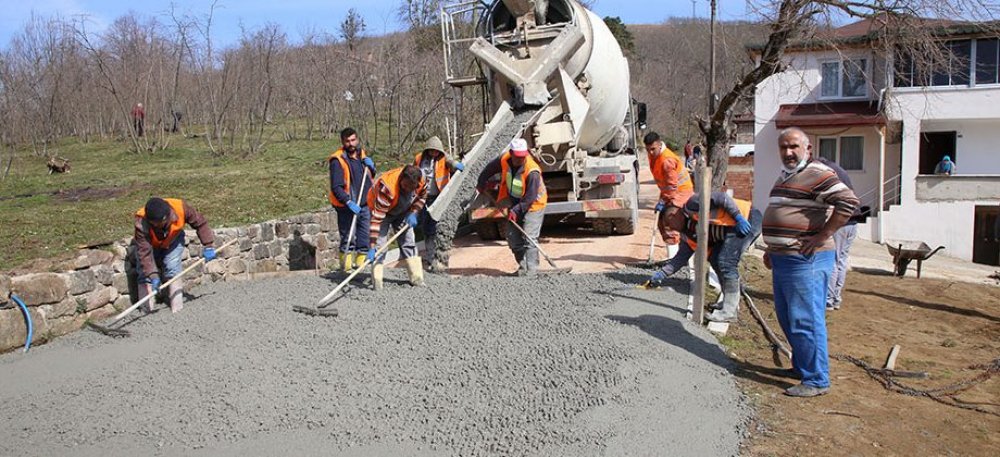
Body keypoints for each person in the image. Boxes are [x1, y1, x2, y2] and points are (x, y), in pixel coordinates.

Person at [762, 127, 859, 397]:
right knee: (787, 317)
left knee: (806, 319)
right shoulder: (787, 176)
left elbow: (849, 202)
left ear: (808, 149)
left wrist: (824, 234)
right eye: (783, 147)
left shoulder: (817, 173)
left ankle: (816, 379)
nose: (788, 152)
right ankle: (801, 367)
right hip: (784, 259)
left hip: (808, 260)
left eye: (794, 146)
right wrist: (773, 247)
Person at [645, 191, 762, 322]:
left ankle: (729, 311)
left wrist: (738, 217)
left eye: (669, 224)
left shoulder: (692, 204)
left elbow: (721, 197)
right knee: (715, 259)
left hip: (747, 218)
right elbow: (679, 259)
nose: (671, 229)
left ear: (673, 215)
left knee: (726, 262)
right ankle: (729, 304)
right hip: (730, 230)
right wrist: (661, 274)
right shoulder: (687, 235)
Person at [476, 138, 548, 275]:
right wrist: (481, 181)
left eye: (523, 156)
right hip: (514, 202)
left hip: (533, 204)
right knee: (512, 237)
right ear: (511, 153)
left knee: (530, 237)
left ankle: (532, 270)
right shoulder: (504, 159)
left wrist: (516, 210)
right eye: (517, 157)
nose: (520, 159)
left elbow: (530, 197)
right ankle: (523, 268)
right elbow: (488, 169)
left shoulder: (532, 171)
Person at [133, 197, 216, 313]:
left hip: (173, 239)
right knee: (144, 273)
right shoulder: (142, 222)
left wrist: (208, 245)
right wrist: (152, 275)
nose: (157, 226)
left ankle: (177, 309)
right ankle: (146, 310)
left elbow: (200, 223)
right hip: (151, 244)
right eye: (154, 224)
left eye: (159, 223)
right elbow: (144, 253)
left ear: (166, 217)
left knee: (172, 267)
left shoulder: (180, 208)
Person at [366, 165, 427, 290]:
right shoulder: (387, 188)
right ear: (401, 179)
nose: (407, 190)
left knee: (409, 241)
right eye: (405, 186)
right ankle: (377, 282)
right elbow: (377, 219)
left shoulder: (422, 181)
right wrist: (372, 246)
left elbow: (422, 197)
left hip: (404, 211)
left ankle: (416, 278)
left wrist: (414, 212)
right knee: (380, 246)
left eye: (411, 188)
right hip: (383, 211)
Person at [813, 156, 860, 311]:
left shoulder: (827, 173)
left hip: (842, 222)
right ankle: (836, 298)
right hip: (852, 222)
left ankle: (828, 300)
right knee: (841, 260)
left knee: (832, 260)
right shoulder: (839, 171)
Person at [329, 127, 376, 272]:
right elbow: (336, 187)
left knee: (364, 237)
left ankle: (361, 267)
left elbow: (369, 176)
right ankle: (346, 268)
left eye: (353, 140)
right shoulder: (338, 160)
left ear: (357, 139)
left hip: (364, 203)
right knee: (348, 237)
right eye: (347, 141)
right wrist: (348, 202)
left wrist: (372, 167)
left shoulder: (362, 155)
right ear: (343, 142)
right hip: (347, 206)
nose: (351, 143)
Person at [414, 136, 464, 272]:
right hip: (423, 197)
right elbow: (414, 173)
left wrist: (456, 166)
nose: (434, 153)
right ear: (427, 150)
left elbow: (451, 162)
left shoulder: (444, 158)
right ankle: (430, 258)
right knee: (427, 228)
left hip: (440, 198)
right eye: (432, 151)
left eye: (437, 151)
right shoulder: (419, 158)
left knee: (440, 229)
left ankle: (441, 259)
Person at [644, 132, 694, 259]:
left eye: (653, 149)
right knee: (661, 222)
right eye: (648, 149)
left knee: (670, 219)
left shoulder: (667, 160)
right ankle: (672, 255)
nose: (650, 152)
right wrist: (662, 199)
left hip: (681, 192)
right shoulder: (654, 156)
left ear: (660, 145)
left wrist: (663, 201)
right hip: (669, 191)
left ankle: (675, 258)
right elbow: (665, 185)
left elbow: (672, 187)